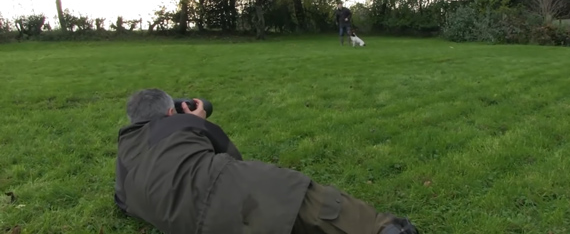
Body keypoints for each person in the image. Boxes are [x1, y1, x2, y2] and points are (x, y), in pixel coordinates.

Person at [114, 88, 419, 234]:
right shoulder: (182, 123)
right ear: (170, 112)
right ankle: (385, 230)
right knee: (314, 201)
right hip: (225, 191)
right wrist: (198, 120)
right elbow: (231, 156)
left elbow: (121, 201)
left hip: (184, 223)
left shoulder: (125, 148)